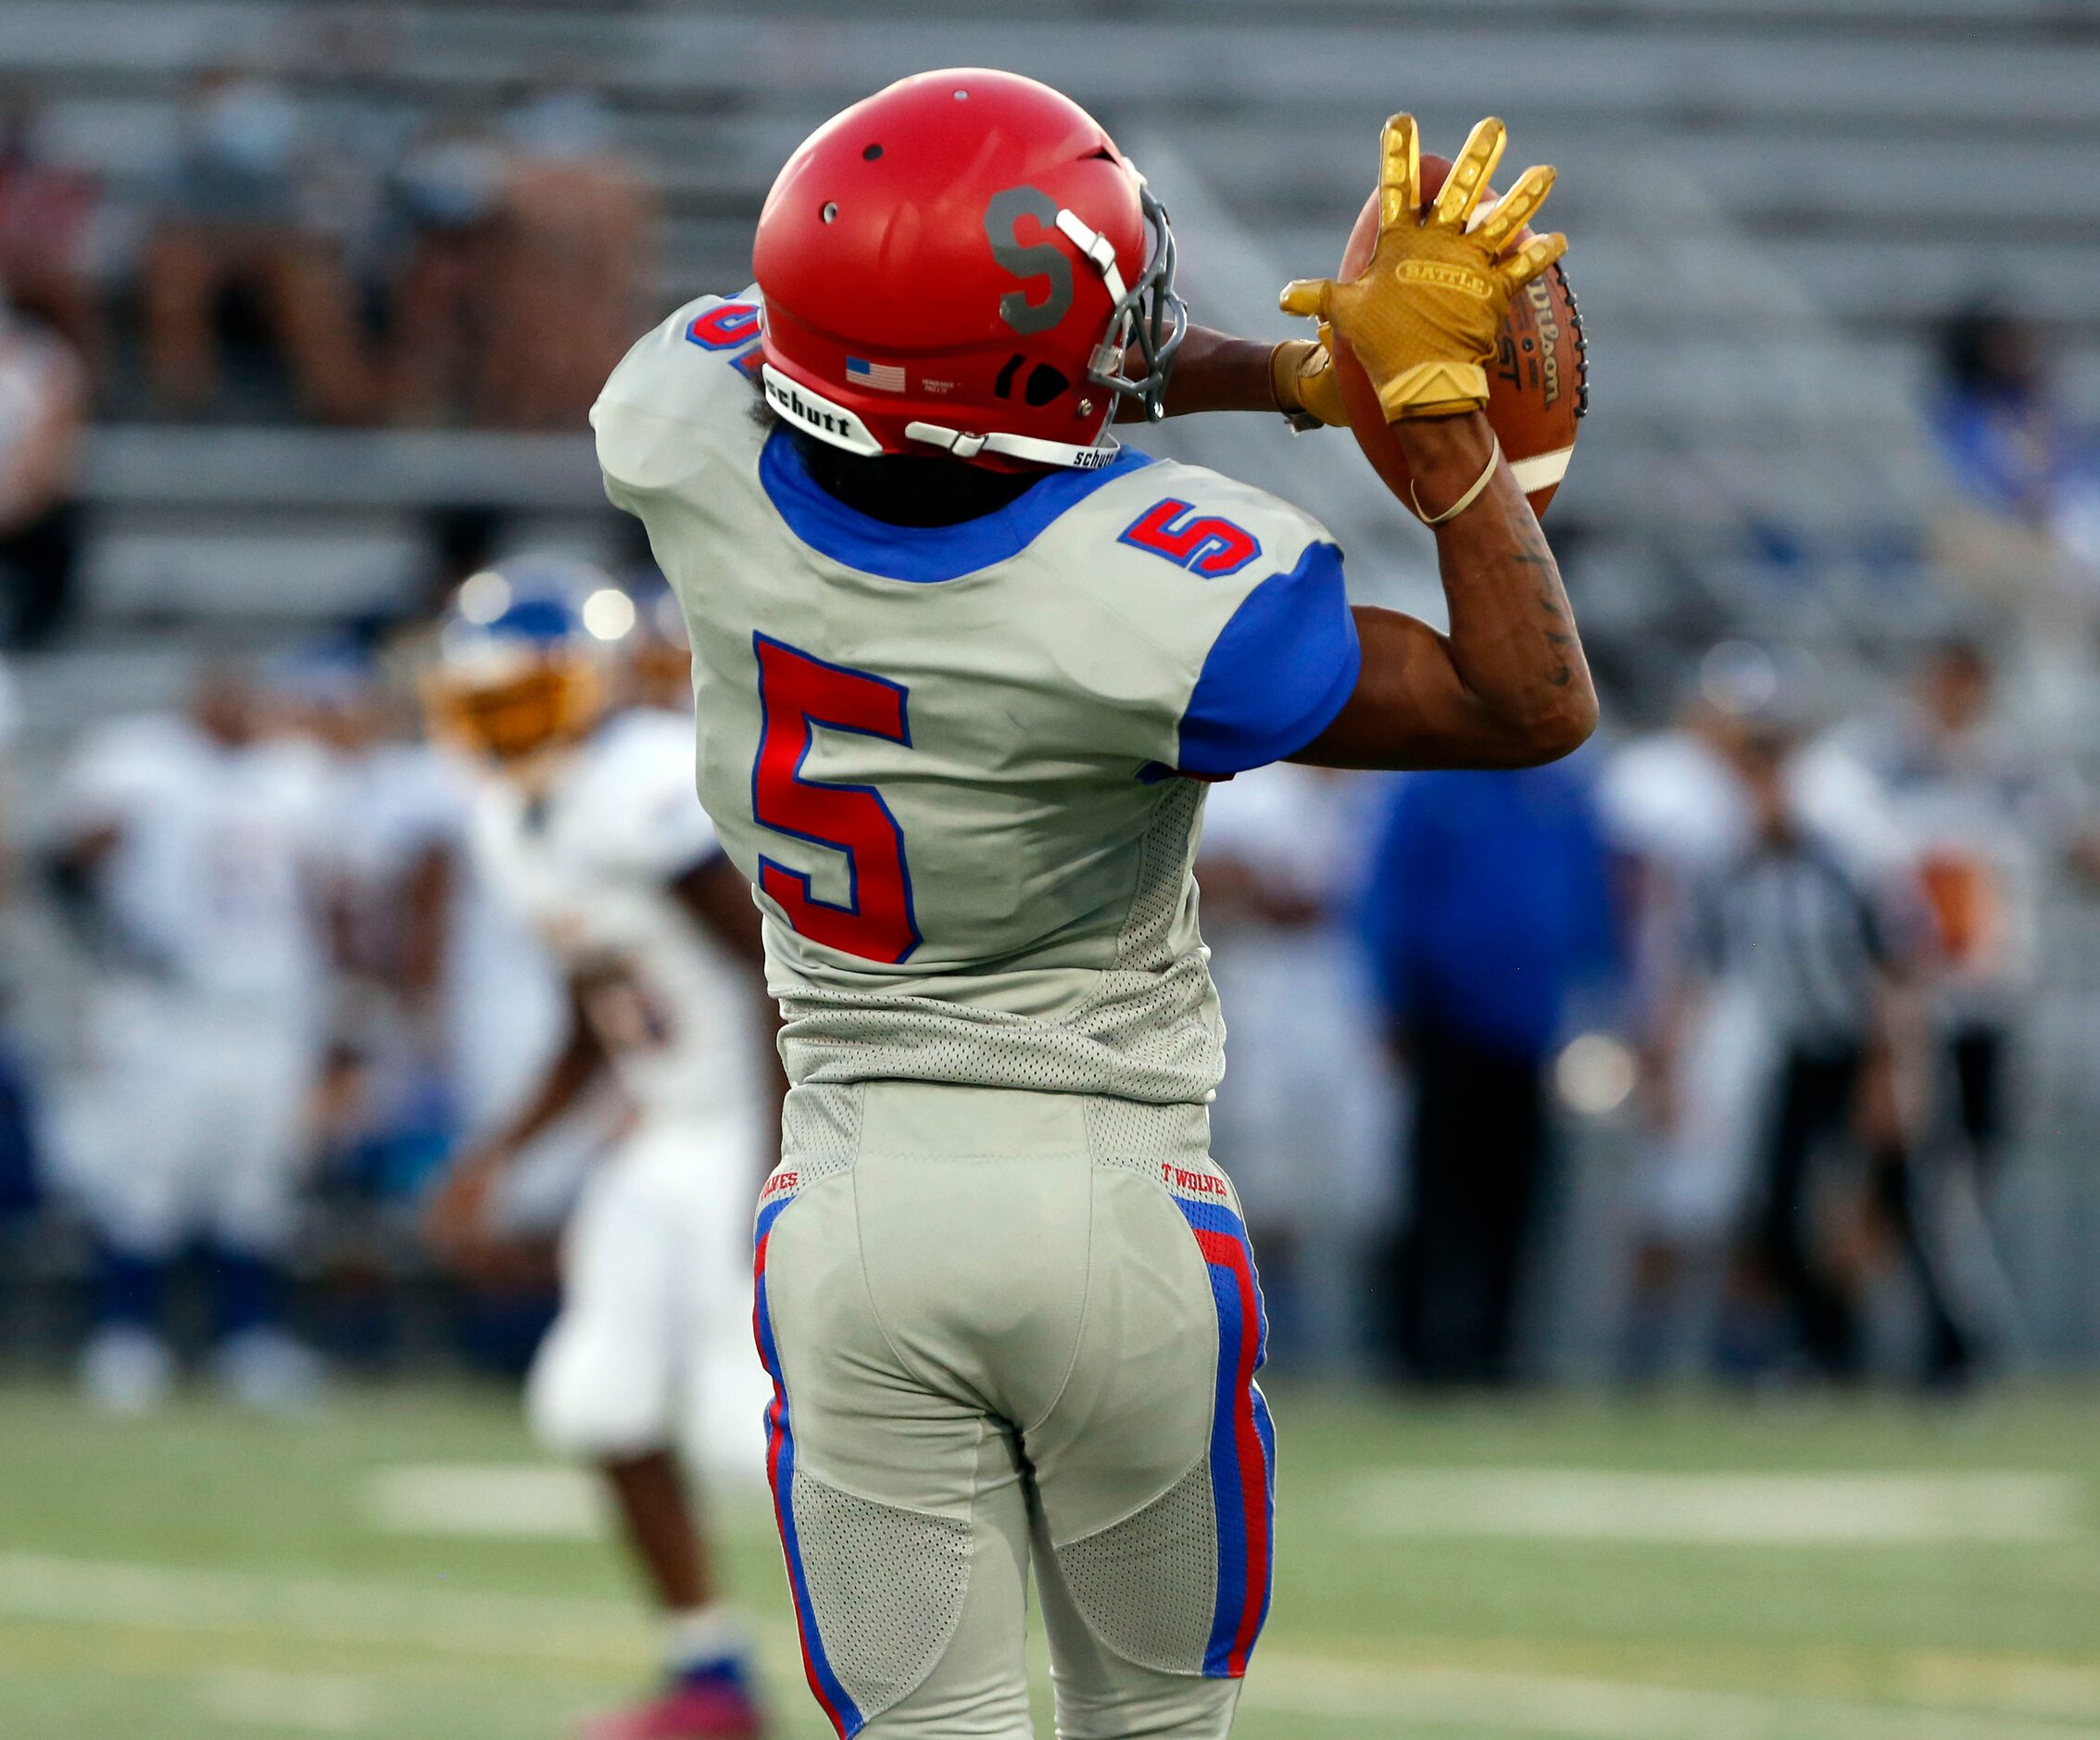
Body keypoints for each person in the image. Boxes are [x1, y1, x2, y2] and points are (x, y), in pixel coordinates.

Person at [593, 71, 1588, 1738]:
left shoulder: (672, 427)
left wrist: (1275, 374)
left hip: (847, 1200)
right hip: (1111, 1207)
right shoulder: (1159, 595)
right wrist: (1421, 420)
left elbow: (919, 374)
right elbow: (1525, 703)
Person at [418, 558, 778, 1740]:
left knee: (752, 1435)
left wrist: (787, 1170)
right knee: (601, 1399)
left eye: (525, 702)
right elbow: (593, 1009)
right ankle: (709, 1677)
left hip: (754, 1121)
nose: (503, 732)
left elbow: (785, 983)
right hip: (665, 1128)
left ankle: (905, 1687)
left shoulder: (643, 780)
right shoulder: (511, 816)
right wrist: (501, 1155)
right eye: (484, 708)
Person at [51, 667, 331, 1412]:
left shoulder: (295, 775)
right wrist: (122, 950)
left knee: (257, 1182)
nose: (238, 708)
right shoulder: (140, 762)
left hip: (271, 1006)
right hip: (169, 1006)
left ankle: (250, 1338)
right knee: (147, 1178)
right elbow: (69, 866)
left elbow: (326, 897)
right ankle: (125, 1338)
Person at [1838, 637, 2097, 1384]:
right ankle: (1947, 1345)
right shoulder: (1870, 761)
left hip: (1984, 1003)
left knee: (1952, 1177)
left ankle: (1904, 1340)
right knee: (1919, 1178)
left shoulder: (2006, 766)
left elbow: (2069, 844)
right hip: (1902, 1005)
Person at [1668, 713, 1929, 1385]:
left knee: (1910, 1211)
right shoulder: (1730, 867)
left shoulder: (1844, 856)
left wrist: (1889, 1071)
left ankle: (1953, 1359)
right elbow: (1699, 970)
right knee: (1783, 1208)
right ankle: (1826, 1352)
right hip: (1798, 1052)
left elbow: (1898, 966)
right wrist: (1670, 1063)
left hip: (1867, 1049)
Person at [1359, 762, 1616, 1385]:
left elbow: (1589, 902)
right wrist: (1390, 997)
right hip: (1445, 1018)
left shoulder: (1562, 789)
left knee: (1519, 1194)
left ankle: (1500, 1349)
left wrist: (1600, 1002)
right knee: (1435, 1189)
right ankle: (1416, 1350)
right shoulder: (1432, 785)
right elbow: (1389, 893)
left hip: (1535, 1028)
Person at [1196, 764, 1397, 1370]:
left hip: (1348, 994)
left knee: (1354, 1189)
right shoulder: (1249, 787)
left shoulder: (1377, 792)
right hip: (1260, 990)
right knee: (1256, 1185)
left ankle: (1342, 1346)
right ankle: (1251, 1346)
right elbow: (1201, 876)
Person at [141, 68, 373, 422]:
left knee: (311, 278)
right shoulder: (174, 161)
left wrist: (259, 240)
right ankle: (182, 401)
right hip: (204, 257)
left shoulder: (295, 158)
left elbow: (317, 229)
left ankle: (340, 403)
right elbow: (165, 227)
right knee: (174, 270)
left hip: (276, 261)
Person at [0, 286, 86, 648]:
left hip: (25, 504)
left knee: (61, 521)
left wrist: (13, 500)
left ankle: (37, 630)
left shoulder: (48, 360)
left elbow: (54, 448)